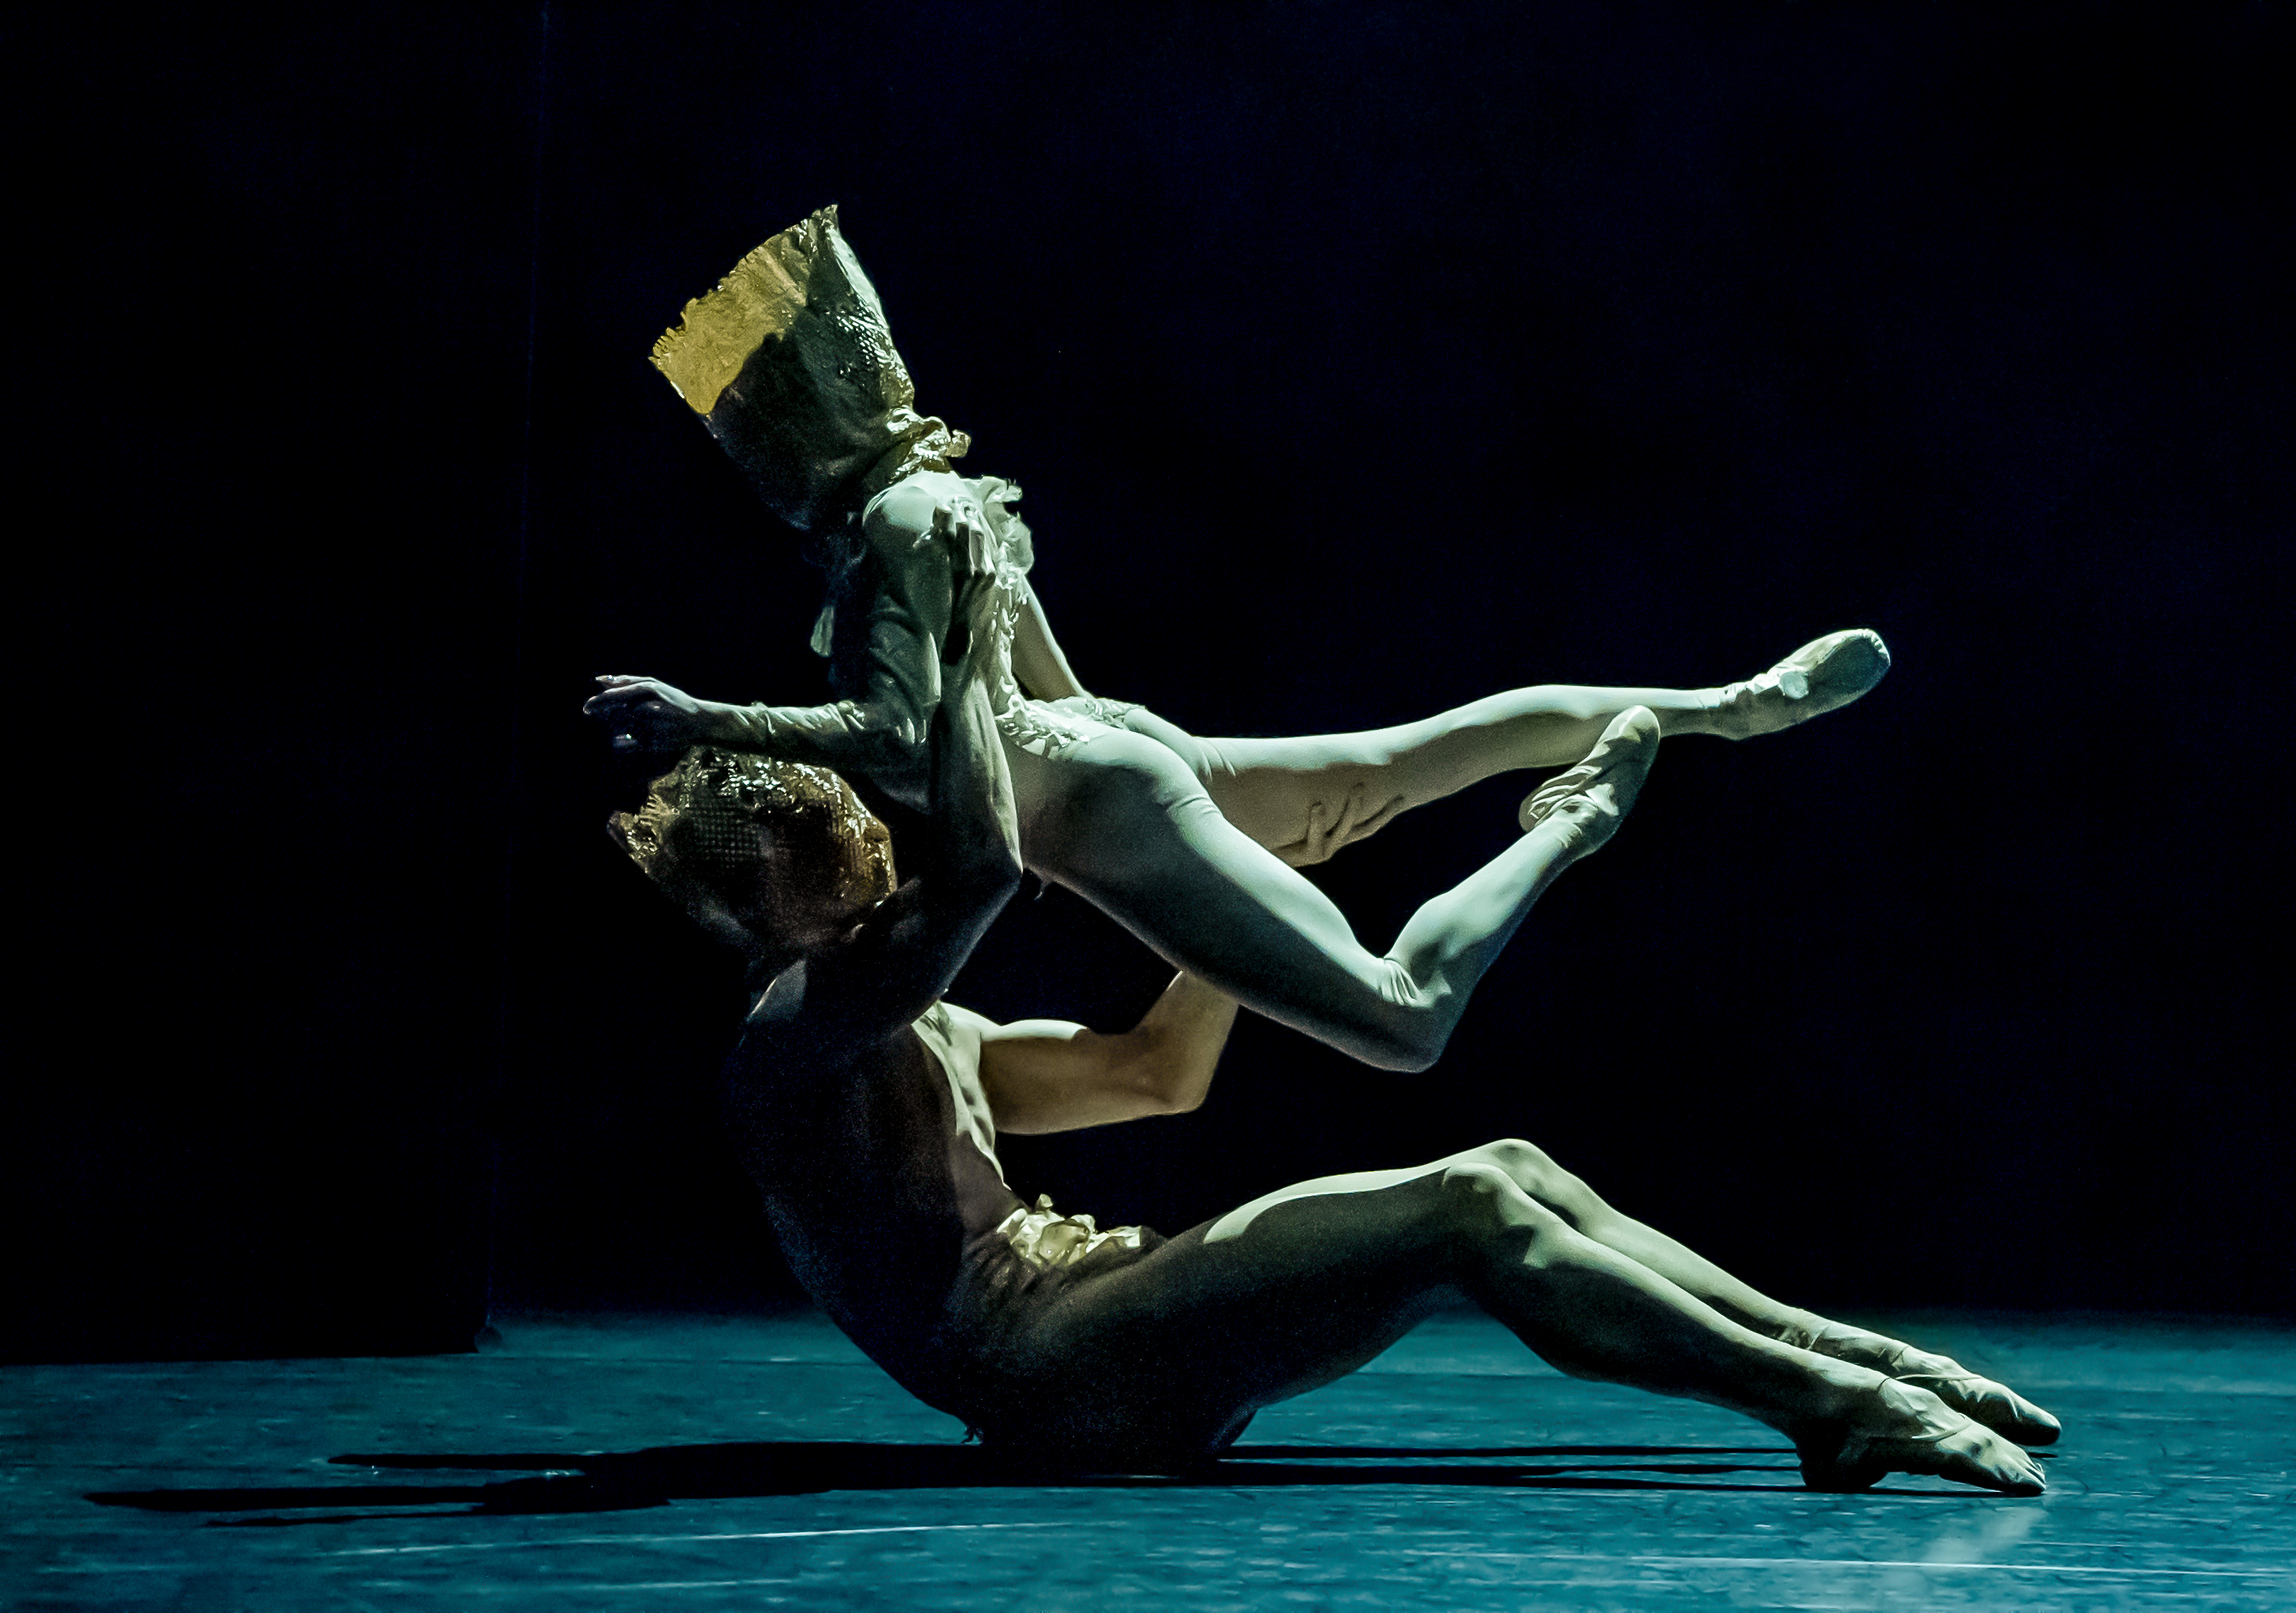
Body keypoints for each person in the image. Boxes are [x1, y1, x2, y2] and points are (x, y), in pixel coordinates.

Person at [601, 607, 2055, 1495]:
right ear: (748, 912)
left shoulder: (934, 1023)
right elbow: (982, 869)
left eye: (856, 843)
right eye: (824, 866)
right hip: (1053, 1375)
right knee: (1467, 1215)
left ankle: (1844, 1352)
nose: (867, 868)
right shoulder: (791, 1041)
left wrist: (1227, 909)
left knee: (1510, 1166)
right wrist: (946, 638)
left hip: (1108, 1316)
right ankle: (1835, 1413)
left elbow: (1157, 1072)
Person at [590, 206, 1892, 1073]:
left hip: (1098, 804)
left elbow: (889, 729)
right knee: (1394, 765)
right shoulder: (938, 492)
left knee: (1404, 1023)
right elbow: (1036, 658)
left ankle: (1577, 818)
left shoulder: (889, 523)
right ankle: (1735, 698)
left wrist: (698, 713)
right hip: (1103, 754)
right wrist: (1127, 737)